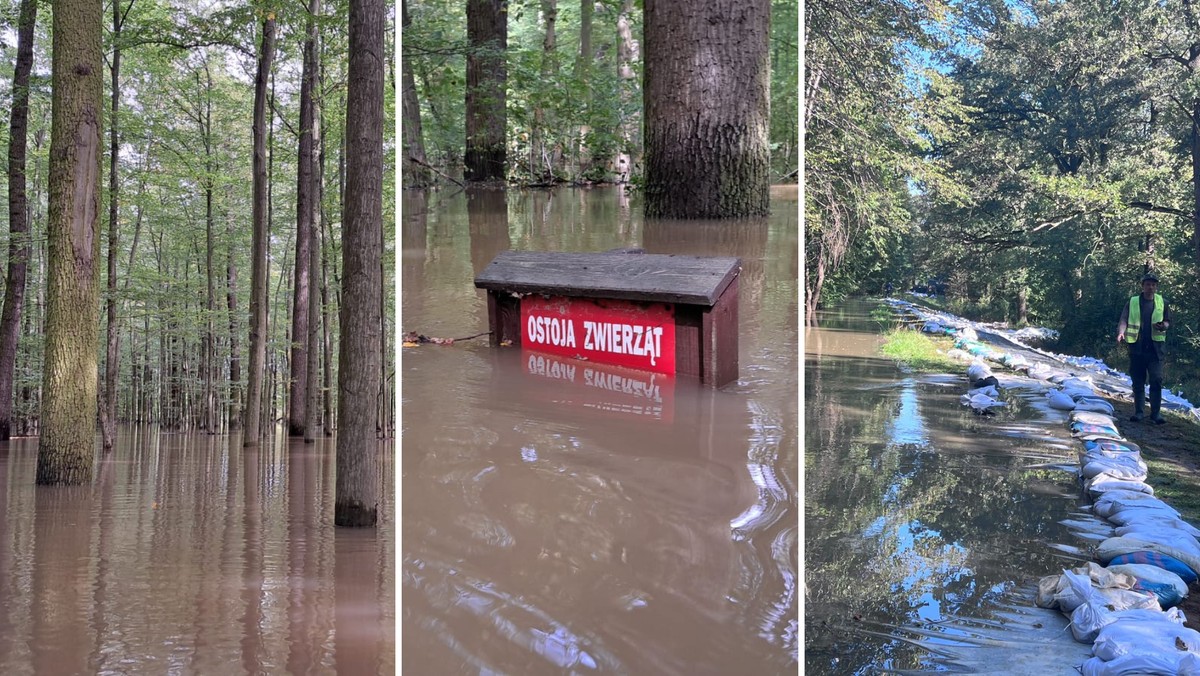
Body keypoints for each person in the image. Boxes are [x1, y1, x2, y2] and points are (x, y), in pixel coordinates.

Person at [1116, 272, 1171, 424]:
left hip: (1155, 350)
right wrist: (1121, 333)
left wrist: (1163, 326)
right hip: (1137, 348)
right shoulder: (1132, 302)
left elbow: (1168, 321)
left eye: (1153, 285)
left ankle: (1156, 414)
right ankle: (1139, 412)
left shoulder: (1163, 302)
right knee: (1138, 381)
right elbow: (1124, 319)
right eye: (1148, 284)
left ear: (1156, 287)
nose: (1150, 287)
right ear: (1142, 286)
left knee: (1156, 379)